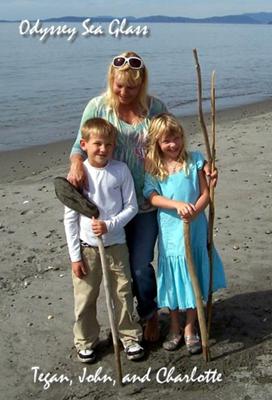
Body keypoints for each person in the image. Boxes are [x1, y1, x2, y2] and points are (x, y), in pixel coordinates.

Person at [67, 51, 218, 342]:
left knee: (140, 265)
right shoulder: (98, 106)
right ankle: (123, 323)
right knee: (117, 269)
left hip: (148, 203)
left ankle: (148, 314)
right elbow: (79, 145)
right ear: (111, 81)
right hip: (110, 206)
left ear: (142, 83)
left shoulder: (156, 107)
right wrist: (75, 164)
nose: (124, 92)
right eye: (119, 86)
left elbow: (172, 140)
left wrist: (203, 165)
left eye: (132, 87)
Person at [143, 113, 226, 354]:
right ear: (157, 143)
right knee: (174, 278)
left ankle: (191, 327)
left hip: (196, 229)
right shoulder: (155, 167)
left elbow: (205, 193)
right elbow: (152, 196)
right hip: (171, 232)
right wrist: (176, 205)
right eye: (167, 141)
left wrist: (196, 210)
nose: (173, 144)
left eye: (177, 138)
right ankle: (175, 326)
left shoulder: (195, 161)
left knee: (192, 276)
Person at [64, 117, 144, 362]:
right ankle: (85, 340)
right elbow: (70, 218)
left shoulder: (120, 170)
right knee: (86, 296)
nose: (103, 149)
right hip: (88, 249)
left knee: (122, 293)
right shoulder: (79, 175)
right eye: (97, 144)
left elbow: (131, 207)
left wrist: (109, 225)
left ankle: (128, 337)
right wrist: (75, 257)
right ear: (84, 145)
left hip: (116, 245)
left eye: (108, 144)